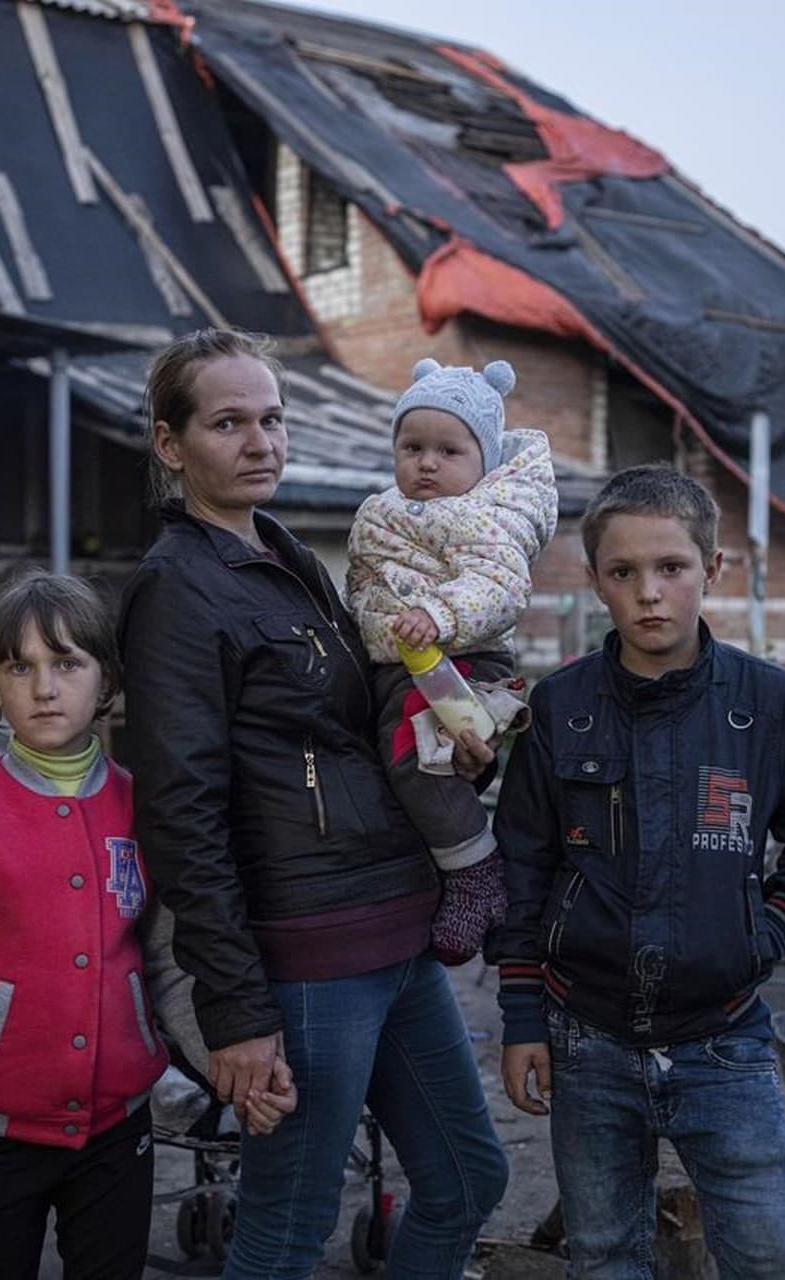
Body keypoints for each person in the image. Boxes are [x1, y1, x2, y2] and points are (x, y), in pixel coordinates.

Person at [118, 328, 510, 1278]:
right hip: (308, 953)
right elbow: (182, 816)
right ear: (172, 446)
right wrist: (238, 1015)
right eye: (229, 423)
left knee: (468, 1177)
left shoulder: (294, 558)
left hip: (397, 929)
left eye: (274, 419)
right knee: (288, 1232)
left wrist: (459, 750)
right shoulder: (176, 589)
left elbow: (359, 738)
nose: (262, 442)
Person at [488, 465, 785, 1279]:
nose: (649, 593)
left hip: (724, 1041)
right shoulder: (562, 709)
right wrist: (523, 1017)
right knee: (602, 1255)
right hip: (585, 1043)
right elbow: (522, 868)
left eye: (672, 568)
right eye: (624, 573)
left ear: (714, 570)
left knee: (770, 1257)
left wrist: (763, 933)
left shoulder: (772, 707)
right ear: (595, 582)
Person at [0, 571, 294, 1279]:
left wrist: (239, 1075)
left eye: (67, 663)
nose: (45, 687)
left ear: (107, 685)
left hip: (117, 1133)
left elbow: (169, 965)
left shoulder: (146, 813)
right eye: (21, 666)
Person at [346, 356, 558, 964]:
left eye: (449, 451)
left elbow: (499, 586)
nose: (427, 463)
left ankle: (474, 870)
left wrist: (439, 614)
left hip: (462, 661)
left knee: (417, 757)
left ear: (483, 461)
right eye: (412, 447)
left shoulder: (485, 517)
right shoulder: (378, 512)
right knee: (392, 760)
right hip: (398, 660)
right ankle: (437, 868)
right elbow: (361, 586)